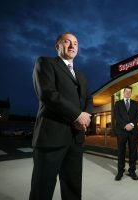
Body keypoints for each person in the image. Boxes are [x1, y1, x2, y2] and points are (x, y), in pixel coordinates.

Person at [29, 32, 93, 200]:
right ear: (57, 46)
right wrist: (77, 115)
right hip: (51, 137)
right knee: (42, 190)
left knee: (73, 188)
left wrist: (86, 115)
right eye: (67, 42)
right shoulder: (45, 63)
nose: (72, 46)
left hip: (75, 138)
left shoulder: (80, 75)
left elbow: (88, 98)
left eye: (76, 43)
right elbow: (48, 94)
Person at [113, 86, 138, 181]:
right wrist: (125, 125)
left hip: (133, 131)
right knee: (121, 151)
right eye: (126, 91)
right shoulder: (118, 103)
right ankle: (120, 171)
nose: (128, 93)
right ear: (123, 92)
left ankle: (132, 171)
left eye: (130, 92)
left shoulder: (135, 103)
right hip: (121, 131)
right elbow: (117, 116)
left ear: (131, 93)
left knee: (133, 152)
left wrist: (131, 124)